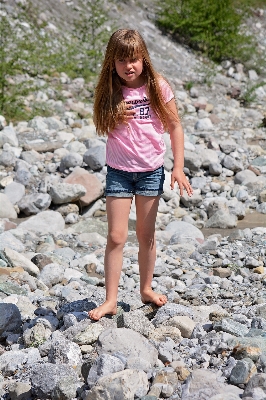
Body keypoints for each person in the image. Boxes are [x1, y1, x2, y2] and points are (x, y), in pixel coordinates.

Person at [89, 29, 193, 321]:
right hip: (119, 172)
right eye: (121, 60)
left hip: (149, 171)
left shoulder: (158, 87)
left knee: (146, 234)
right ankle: (111, 299)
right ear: (112, 62)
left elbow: (175, 126)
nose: (128, 66)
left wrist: (177, 167)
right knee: (116, 235)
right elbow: (100, 122)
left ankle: (145, 288)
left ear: (144, 59)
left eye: (134, 59)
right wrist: (114, 114)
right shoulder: (110, 89)